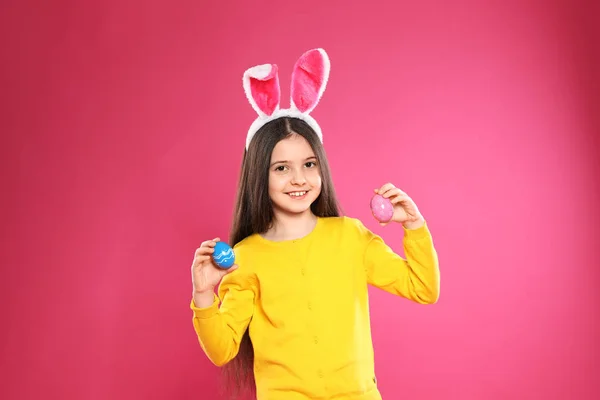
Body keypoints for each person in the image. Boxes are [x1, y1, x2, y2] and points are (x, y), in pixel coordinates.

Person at [190, 48, 440, 400]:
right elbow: (222, 349)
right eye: (281, 168)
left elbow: (423, 288)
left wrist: (414, 227)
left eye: (309, 164)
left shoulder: (350, 236)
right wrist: (203, 295)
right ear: (258, 176)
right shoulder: (245, 257)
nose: (298, 179)